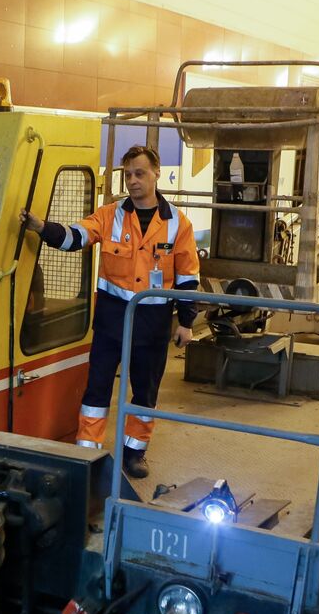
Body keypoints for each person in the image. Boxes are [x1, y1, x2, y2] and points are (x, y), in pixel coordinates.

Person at [22, 145, 199, 478]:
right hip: (111, 321)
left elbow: (188, 277)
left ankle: (134, 452)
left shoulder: (178, 224)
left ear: (157, 173)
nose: (133, 181)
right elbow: (75, 238)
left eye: (140, 173)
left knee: (145, 391)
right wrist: (42, 227)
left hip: (152, 323)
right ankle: (87, 453)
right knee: (98, 387)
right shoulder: (110, 215)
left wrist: (186, 322)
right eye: (128, 174)